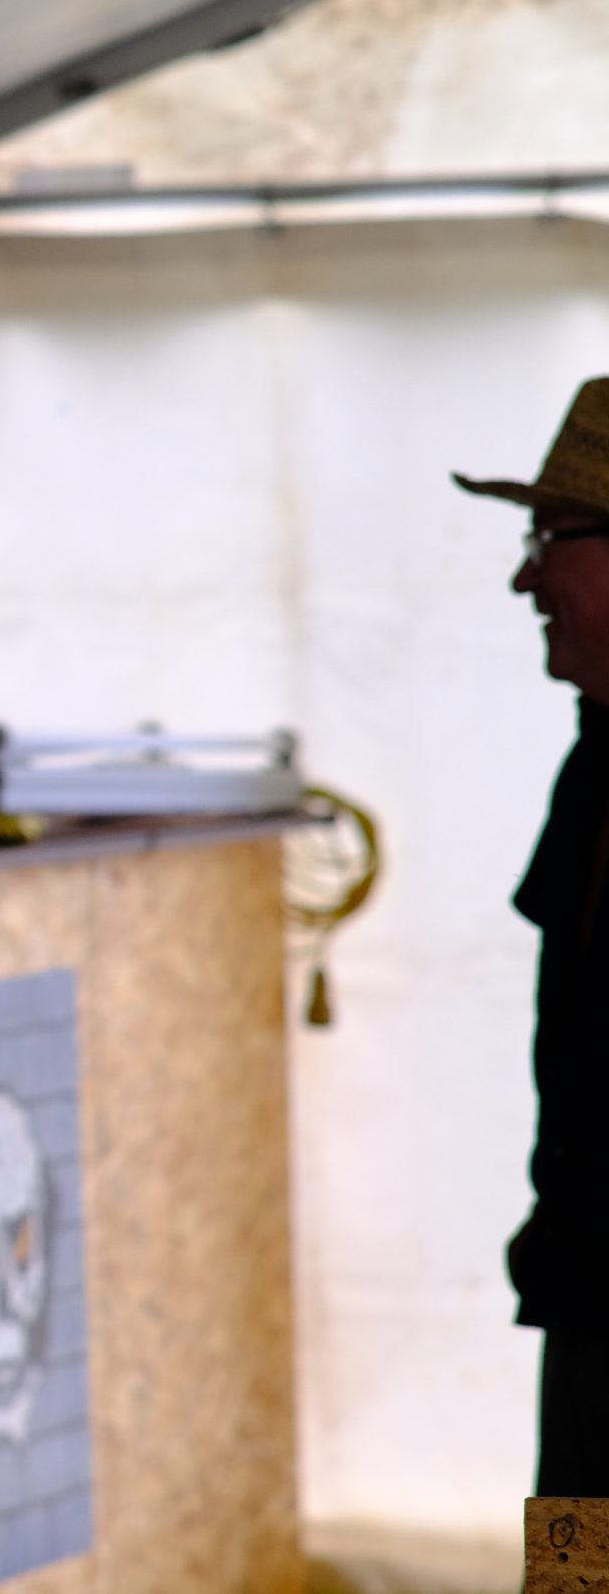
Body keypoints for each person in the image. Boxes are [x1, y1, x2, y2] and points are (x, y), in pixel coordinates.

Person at [457, 379, 609, 1499]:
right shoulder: (593, 760)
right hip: (588, 1301)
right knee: (568, 1564)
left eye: (548, 541)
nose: (526, 579)